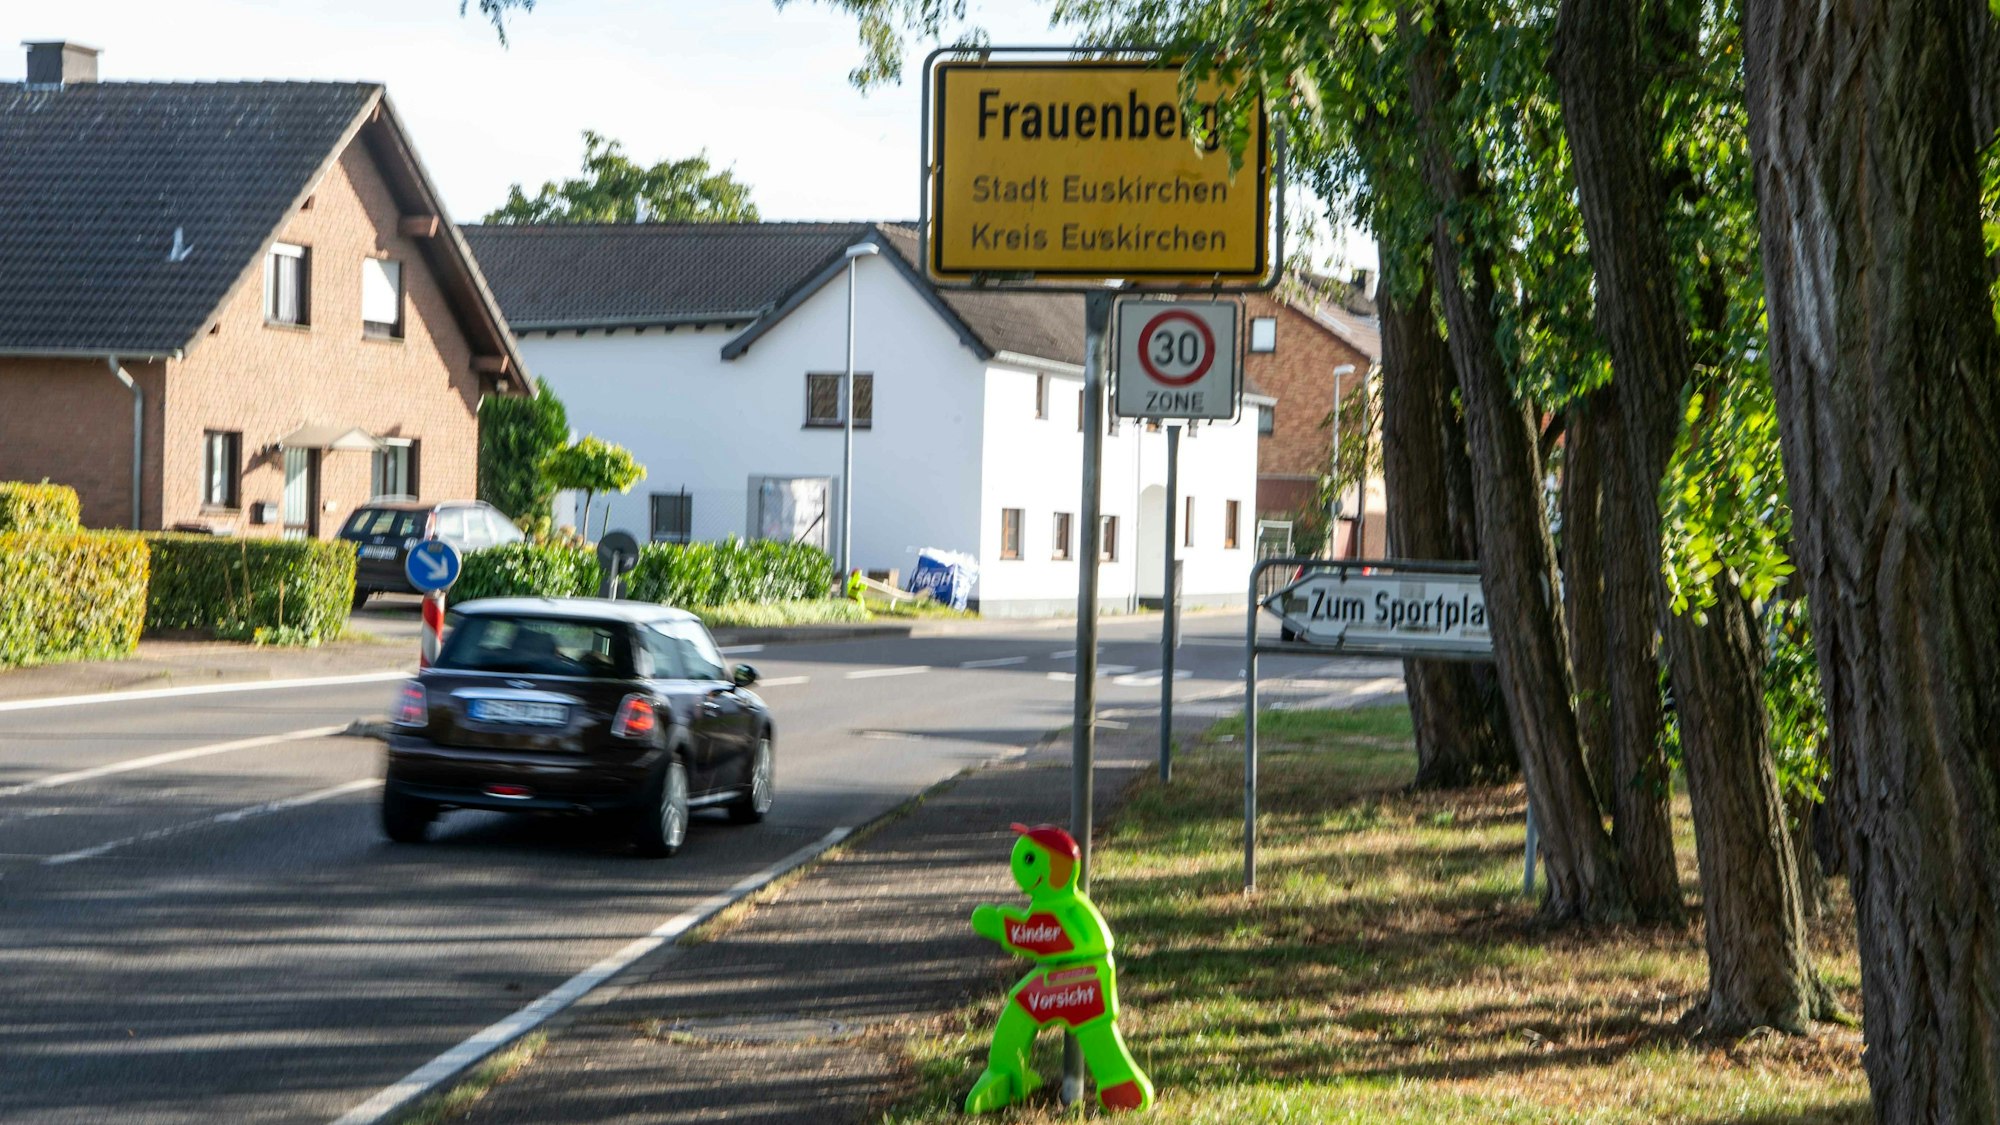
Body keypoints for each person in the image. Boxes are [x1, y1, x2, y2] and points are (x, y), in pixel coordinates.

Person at [965, 823, 1153, 1113]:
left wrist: (998, 925)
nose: (1021, 871)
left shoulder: (1068, 907)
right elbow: (1039, 933)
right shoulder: (1051, 905)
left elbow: (1037, 934)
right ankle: (1005, 1073)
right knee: (1018, 1013)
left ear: (1057, 867)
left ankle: (1119, 1082)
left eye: (1029, 860)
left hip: (1086, 978)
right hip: (1058, 978)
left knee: (1096, 1033)